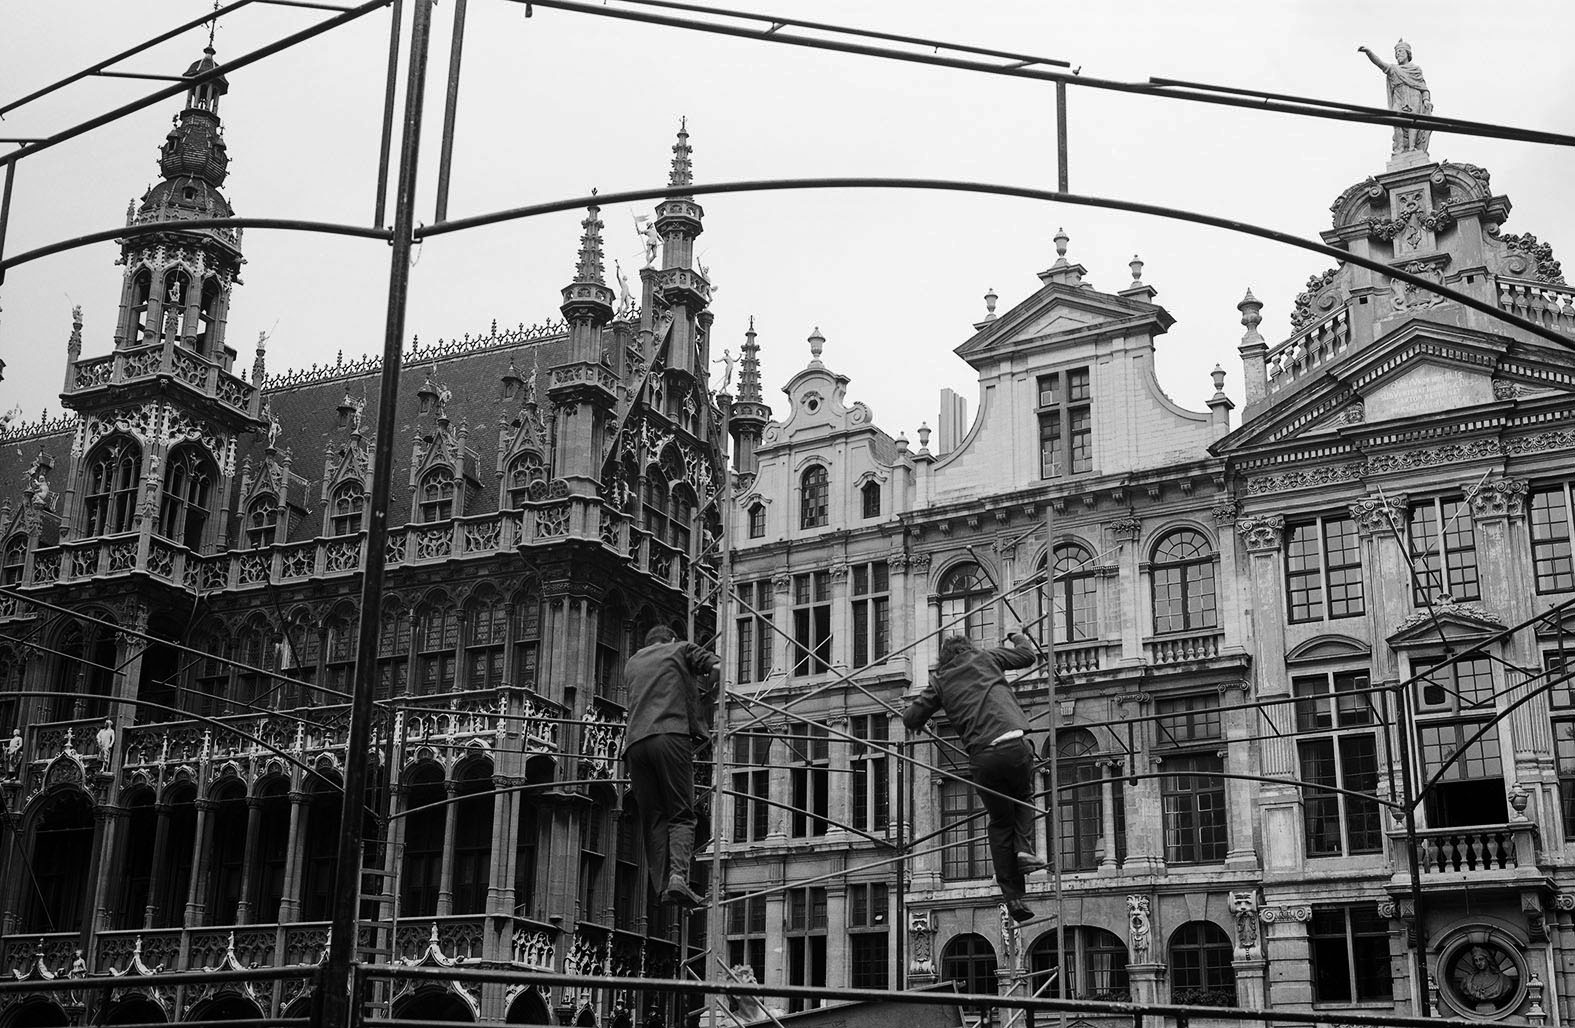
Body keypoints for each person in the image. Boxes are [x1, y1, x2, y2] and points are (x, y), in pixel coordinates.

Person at [904, 630, 1044, 922]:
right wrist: (1017, 637)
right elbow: (1027, 655)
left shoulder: (940, 681)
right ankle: (1024, 849)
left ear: (943, 660)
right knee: (1025, 798)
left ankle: (1014, 897)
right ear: (968, 648)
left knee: (1000, 823)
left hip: (985, 755)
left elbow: (911, 717)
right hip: (1016, 743)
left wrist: (922, 719)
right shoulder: (987, 657)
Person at [623, 625, 720, 909]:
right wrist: (710, 690)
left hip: (635, 744)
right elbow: (716, 665)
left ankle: (664, 887)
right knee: (681, 813)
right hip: (670, 733)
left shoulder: (633, 662)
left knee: (654, 818)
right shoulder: (680, 649)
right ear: (671, 639)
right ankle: (678, 876)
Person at [1359, 40, 1433, 156]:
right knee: (1396, 121)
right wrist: (1369, 52)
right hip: (1398, 97)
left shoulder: (1416, 69)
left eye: (1400, 51)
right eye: (1396, 52)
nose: (1398, 54)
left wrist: (1426, 100)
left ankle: (1412, 148)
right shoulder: (1393, 69)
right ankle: (1400, 148)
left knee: (1413, 122)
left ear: (1407, 53)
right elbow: (1380, 63)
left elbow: (1423, 87)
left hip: (1414, 96)